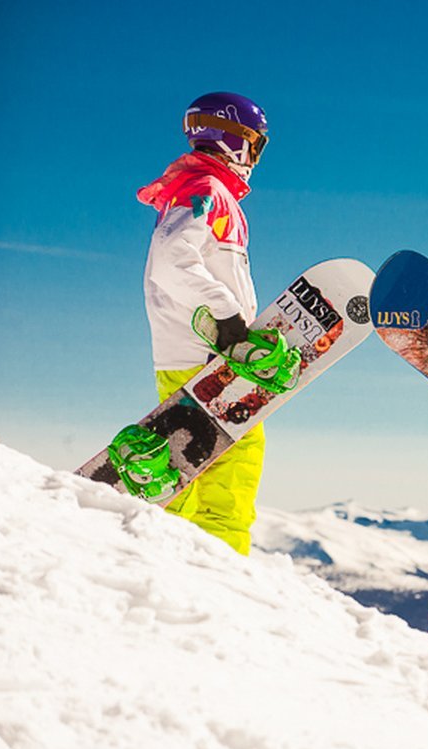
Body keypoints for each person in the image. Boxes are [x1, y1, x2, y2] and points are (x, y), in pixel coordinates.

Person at [135, 91, 270, 556]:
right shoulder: (205, 191)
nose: (255, 156)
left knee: (191, 464)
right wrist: (228, 314)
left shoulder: (201, 190)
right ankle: (222, 571)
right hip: (204, 353)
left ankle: (183, 564)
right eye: (254, 143)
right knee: (234, 463)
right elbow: (171, 263)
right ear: (231, 140)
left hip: (192, 351)